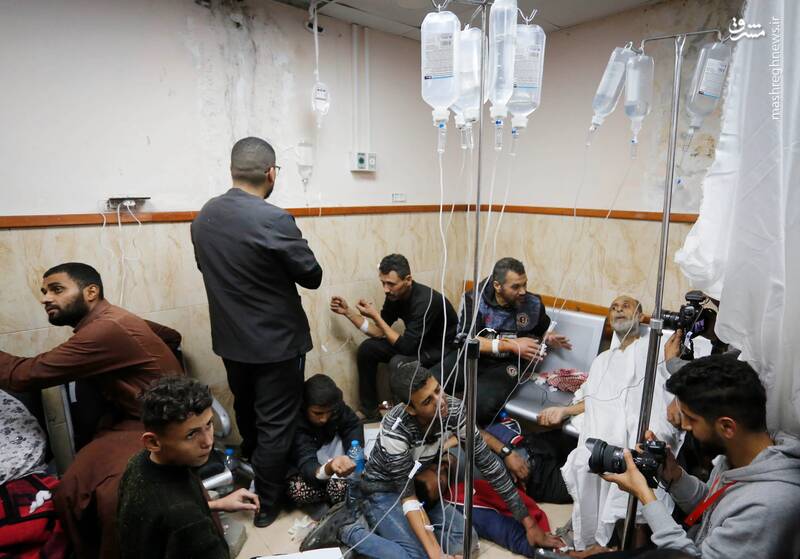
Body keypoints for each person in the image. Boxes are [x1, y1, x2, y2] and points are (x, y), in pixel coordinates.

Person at [0, 263, 183, 559]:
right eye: (44, 291)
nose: (46, 298)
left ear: (91, 292)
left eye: (57, 289)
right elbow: (172, 336)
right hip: (133, 419)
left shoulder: (105, 329)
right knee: (71, 486)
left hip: (155, 424)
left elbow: (23, 375)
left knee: (94, 495)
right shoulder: (113, 317)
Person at [191, 137, 323, 527]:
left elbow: (208, 269)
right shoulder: (273, 219)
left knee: (247, 413)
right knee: (276, 425)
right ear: (270, 173)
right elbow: (312, 275)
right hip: (276, 345)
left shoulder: (204, 217)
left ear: (233, 171)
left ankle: (252, 481)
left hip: (232, 342)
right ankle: (266, 504)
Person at [306, 361, 564, 559]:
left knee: (465, 543)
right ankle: (348, 529)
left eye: (438, 390)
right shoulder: (395, 429)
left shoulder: (454, 409)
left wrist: (529, 523)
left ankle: (386, 537)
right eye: (428, 400)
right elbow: (407, 498)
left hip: (420, 488)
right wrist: (435, 554)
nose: (441, 402)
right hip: (383, 492)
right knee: (419, 556)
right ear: (410, 408)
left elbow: (489, 465)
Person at [597, 354, 800, 559]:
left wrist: (645, 496)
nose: (684, 425)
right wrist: (675, 476)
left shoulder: (767, 506)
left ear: (727, 427)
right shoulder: (741, 456)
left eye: (691, 419)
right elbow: (712, 507)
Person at [540, 295, 681, 552]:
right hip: (606, 430)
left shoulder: (654, 349)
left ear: (640, 315)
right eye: (613, 307)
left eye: (625, 306)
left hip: (644, 426)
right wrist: (564, 410)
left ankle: (633, 546)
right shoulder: (602, 361)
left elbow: (669, 388)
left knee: (635, 454)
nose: (618, 310)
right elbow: (592, 397)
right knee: (585, 457)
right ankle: (599, 542)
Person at [117, 376, 260, 559]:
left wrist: (216, 504)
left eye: (208, 424)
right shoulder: (188, 522)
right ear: (153, 442)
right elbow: (178, 517)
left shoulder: (138, 462)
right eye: (191, 434)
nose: (208, 442)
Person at [435, 257, 571, 425]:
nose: (523, 291)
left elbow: (543, 328)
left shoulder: (532, 304)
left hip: (507, 365)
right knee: (430, 382)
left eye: (525, 284)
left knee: (481, 405)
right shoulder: (474, 299)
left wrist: (548, 336)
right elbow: (465, 339)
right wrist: (512, 345)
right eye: (516, 286)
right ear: (497, 286)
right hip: (472, 357)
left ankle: (473, 435)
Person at [330, 254, 457, 422]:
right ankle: (369, 410)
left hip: (439, 349)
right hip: (415, 343)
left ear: (408, 280)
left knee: (398, 362)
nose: (385, 289)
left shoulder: (425, 302)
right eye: (383, 283)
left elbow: (406, 348)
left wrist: (376, 316)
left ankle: (402, 418)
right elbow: (379, 331)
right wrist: (348, 313)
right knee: (368, 349)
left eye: (391, 284)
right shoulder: (394, 296)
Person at [414, 455, 553, 558]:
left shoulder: (441, 457)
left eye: (434, 470)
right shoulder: (457, 500)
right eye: (441, 481)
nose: (441, 469)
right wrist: (539, 550)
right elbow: (497, 527)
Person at [287, 374, 364, 516]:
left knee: (352, 481)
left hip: (329, 455)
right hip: (305, 468)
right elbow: (307, 464)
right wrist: (329, 467)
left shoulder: (336, 407)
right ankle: (319, 501)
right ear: (304, 407)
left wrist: (354, 453)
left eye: (329, 413)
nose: (324, 419)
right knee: (297, 490)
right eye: (318, 413)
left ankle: (331, 498)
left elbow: (353, 426)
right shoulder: (297, 423)